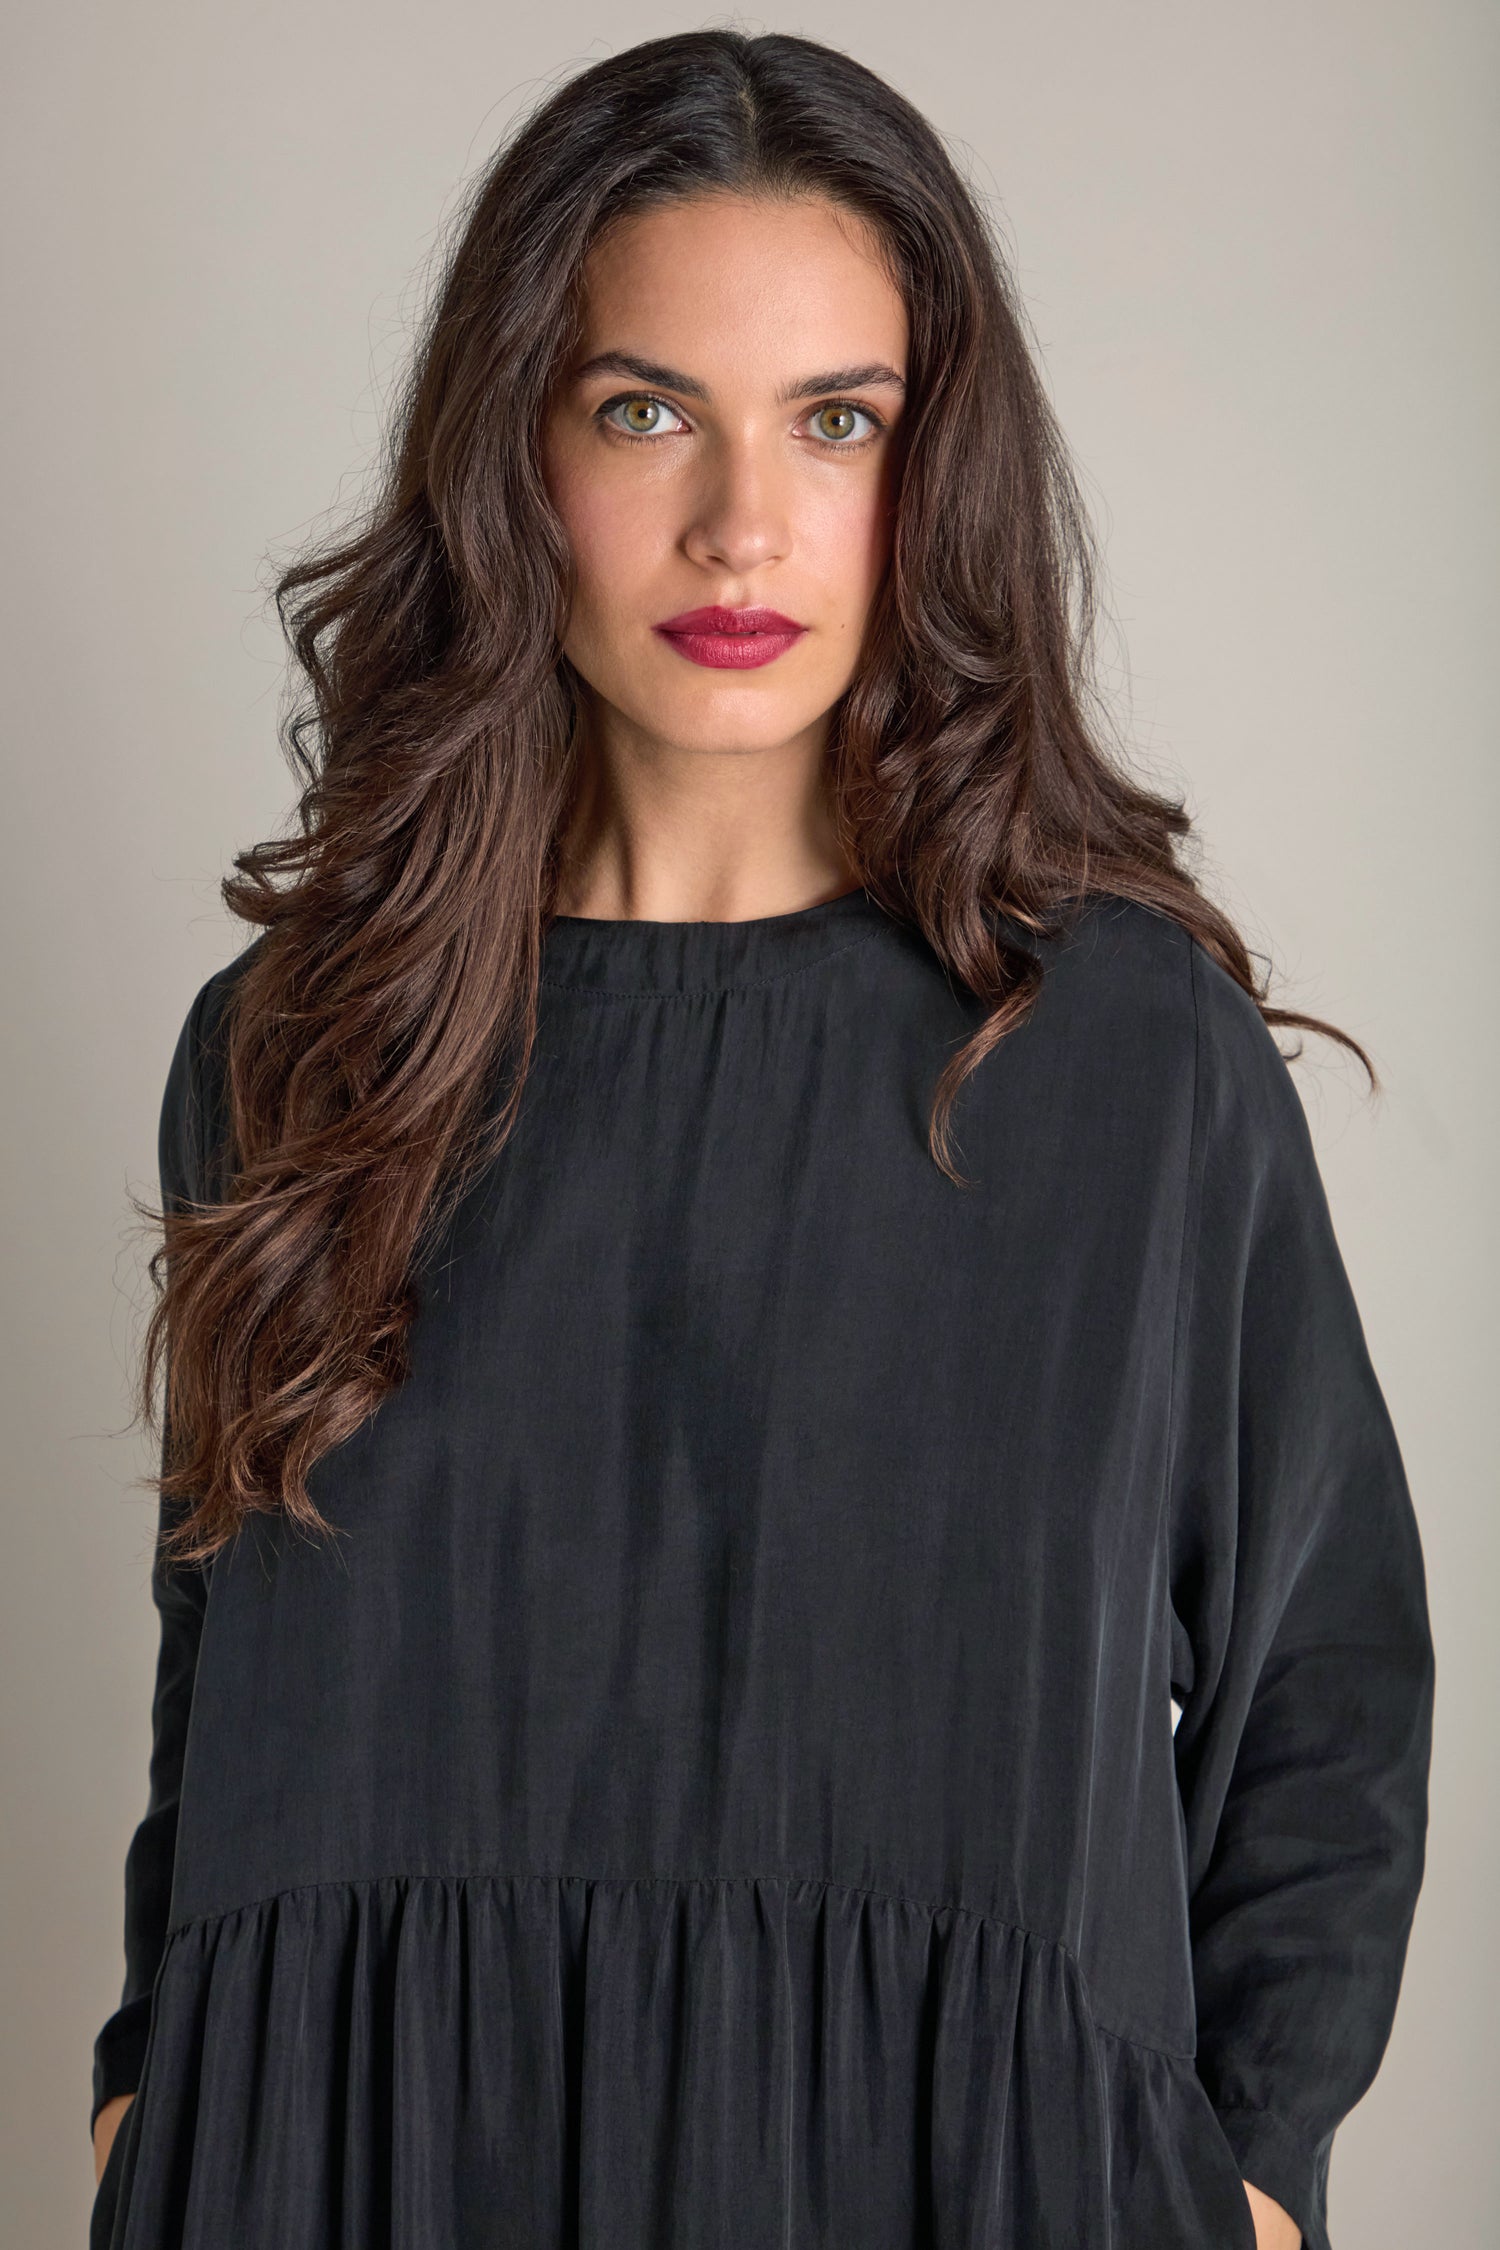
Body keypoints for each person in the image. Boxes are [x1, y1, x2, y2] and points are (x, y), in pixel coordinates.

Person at [88, 29, 1433, 2250]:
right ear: (517, 452)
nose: (743, 524)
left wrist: (1259, 2187)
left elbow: (1326, 1682)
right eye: (645, 411)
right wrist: (155, 2089)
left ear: (935, 468)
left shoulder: (1115, 1060)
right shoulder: (299, 1050)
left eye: (838, 421)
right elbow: (215, 1661)